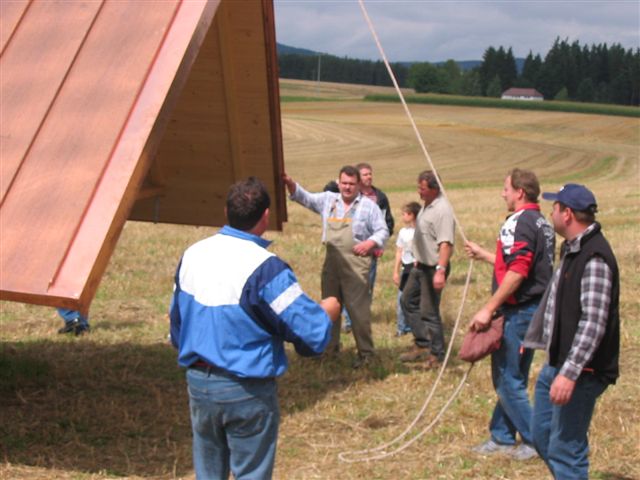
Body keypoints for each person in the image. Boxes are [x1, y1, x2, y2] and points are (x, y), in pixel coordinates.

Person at [169, 177, 340, 479]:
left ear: (226, 212)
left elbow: (177, 325)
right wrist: (328, 311)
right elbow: (310, 334)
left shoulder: (192, 255)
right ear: (265, 217)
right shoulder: (266, 269)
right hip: (246, 389)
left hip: (199, 384)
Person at [524, 183, 619, 478]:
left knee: (566, 448)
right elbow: (555, 304)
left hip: (581, 372)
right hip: (557, 364)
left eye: (554, 207)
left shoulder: (595, 257)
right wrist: (534, 339)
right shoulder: (572, 251)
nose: (549, 212)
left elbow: (593, 321)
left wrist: (569, 372)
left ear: (567, 214)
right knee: (541, 436)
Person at [465, 168, 555, 461]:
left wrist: (488, 308)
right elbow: (522, 263)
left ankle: (535, 440)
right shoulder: (540, 222)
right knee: (513, 375)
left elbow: (518, 271)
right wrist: (484, 255)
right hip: (534, 310)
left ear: (519, 192)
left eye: (506, 189)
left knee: (507, 378)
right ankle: (502, 437)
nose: (502, 193)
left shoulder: (519, 222)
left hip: (519, 312)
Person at [283, 166, 389, 368]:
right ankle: (329, 349)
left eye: (351, 183)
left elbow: (383, 230)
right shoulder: (328, 200)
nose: (347, 187)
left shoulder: (369, 206)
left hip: (356, 265)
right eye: (344, 183)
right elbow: (305, 197)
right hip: (331, 264)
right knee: (329, 308)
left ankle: (367, 354)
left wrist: (370, 243)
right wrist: (290, 184)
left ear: (358, 184)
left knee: (358, 312)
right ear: (338, 183)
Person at [399, 170, 455, 368]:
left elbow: (445, 243)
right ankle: (423, 343)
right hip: (420, 265)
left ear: (434, 188)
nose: (419, 192)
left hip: (433, 268)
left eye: (422, 188)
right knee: (407, 300)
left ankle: (437, 356)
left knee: (429, 312)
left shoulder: (443, 210)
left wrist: (440, 270)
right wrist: (417, 256)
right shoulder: (427, 205)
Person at [341, 162, 395, 333]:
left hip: (370, 250)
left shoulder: (380, 197)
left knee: (366, 286)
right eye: (364, 174)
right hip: (347, 249)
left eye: (370, 174)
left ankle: (356, 320)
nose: (369, 177)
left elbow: (388, 223)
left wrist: (379, 243)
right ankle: (348, 319)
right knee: (347, 285)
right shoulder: (348, 195)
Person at [393, 201, 421, 336]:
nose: (402, 217)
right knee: (401, 298)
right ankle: (401, 327)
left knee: (416, 300)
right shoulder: (403, 232)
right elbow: (399, 251)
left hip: (419, 269)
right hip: (407, 268)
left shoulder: (422, 232)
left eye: (404, 214)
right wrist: (396, 271)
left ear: (412, 215)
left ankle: (415, 326)